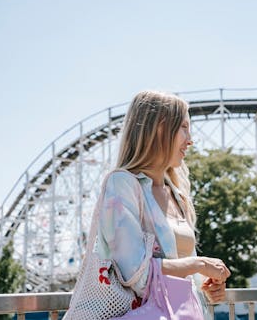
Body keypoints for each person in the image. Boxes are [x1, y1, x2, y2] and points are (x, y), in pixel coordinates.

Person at [96, 90, 230, 314]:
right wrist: (200, 265)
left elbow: (182, 269)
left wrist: (206, 284)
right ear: (159, 129)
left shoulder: (177, 195)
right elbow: (135, 274)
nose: (190, 140)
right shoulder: (122, 186)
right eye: (184, 128)